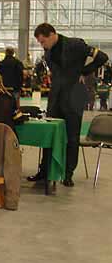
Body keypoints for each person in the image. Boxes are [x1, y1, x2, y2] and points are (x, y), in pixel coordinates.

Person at [27, 23, 108, 187]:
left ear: (51, 34)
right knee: (50, 134)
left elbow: (102, 57)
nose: (42, 45)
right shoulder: (48, 51)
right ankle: (45, 171)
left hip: (74, 96)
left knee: (72, 137)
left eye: (43, 41)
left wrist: (84, 72)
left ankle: (68, 174)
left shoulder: (76, 44)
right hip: (55, 96)